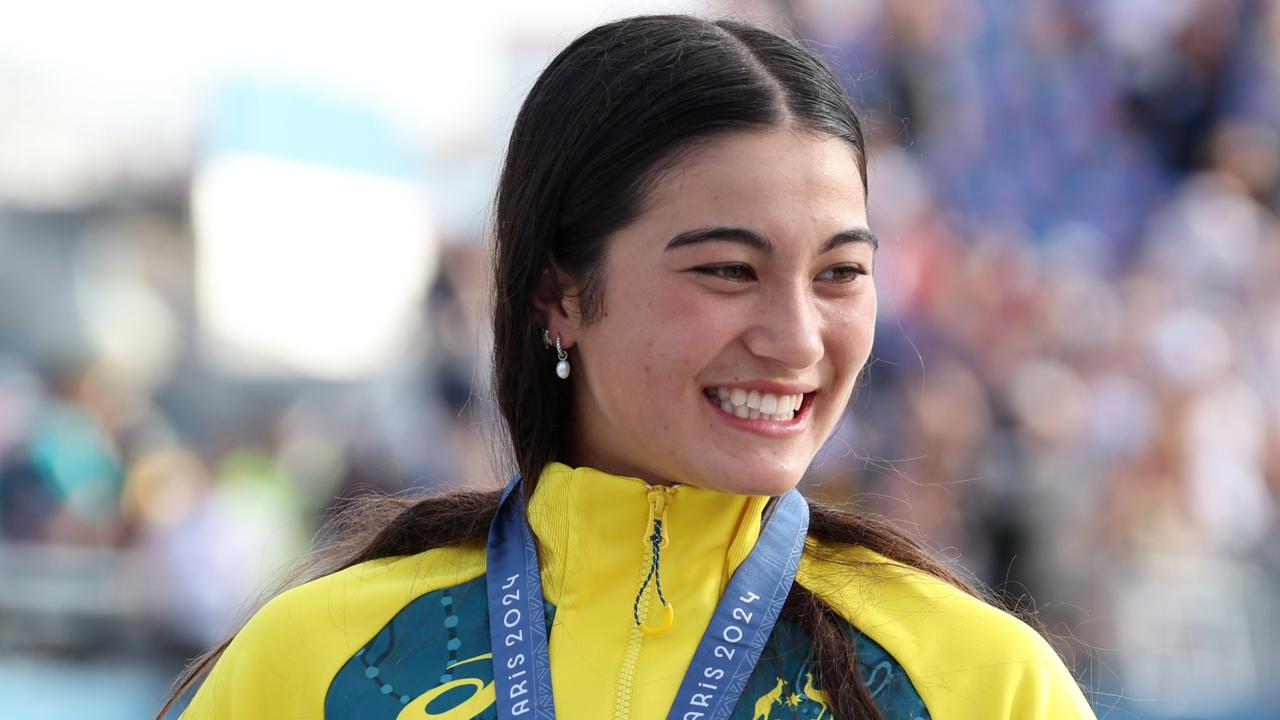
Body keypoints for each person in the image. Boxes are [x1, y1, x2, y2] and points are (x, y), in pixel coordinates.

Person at [163, 14, 1095, 720]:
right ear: (558, 295)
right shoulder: (322, 660)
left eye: (840, 273)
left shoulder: (980, 682)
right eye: (728, 270)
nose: (799, 337)